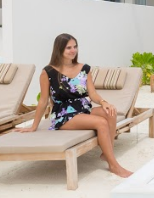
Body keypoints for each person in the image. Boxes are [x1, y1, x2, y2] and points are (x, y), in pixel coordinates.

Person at [17, 33, 132, 178]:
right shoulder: (48, 72)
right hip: (64, 115)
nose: (73, 50)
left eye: (75, 47)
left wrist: (104, 103)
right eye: (68, 48)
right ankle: (114, 165)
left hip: (84, 109)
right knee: (101, 123)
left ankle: (106, 153)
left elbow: (92, 93)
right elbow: (43, 100)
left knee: (110, 112)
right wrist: (34, 126)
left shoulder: (84, 68)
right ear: (59, 50)